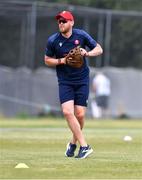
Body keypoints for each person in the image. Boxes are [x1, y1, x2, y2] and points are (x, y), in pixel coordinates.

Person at [44, 11, 103, 159]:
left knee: (80, 115)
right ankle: (85, 146)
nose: (61, 23)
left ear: (72, 22)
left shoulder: (81, 35)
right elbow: (47, 60)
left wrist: (86, 53)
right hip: (65, 81)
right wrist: (61, 61)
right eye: (59, 21)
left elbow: (99, 49)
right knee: (67, 112)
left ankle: (72, 144)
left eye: (64, 21)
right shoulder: (53, 40)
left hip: (82, 80)